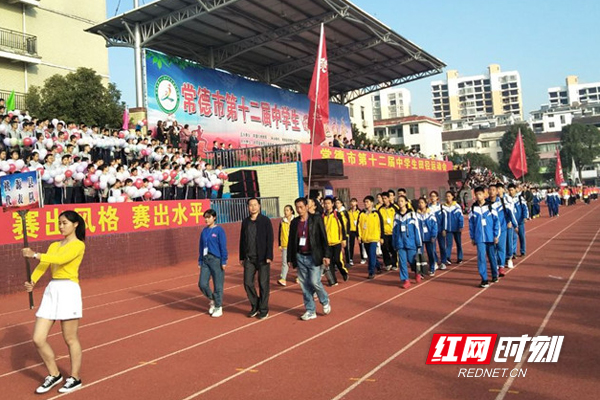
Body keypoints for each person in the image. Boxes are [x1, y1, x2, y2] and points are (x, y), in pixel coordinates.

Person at [22, 211, 86, 394]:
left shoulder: (78, 245)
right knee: (38, 338)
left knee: (70, 338)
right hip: (52, 290)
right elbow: (45, 265)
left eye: (64, 223)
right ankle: (54, 374)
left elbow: (60, 259)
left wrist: (34, 254)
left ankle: (75, 377)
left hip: (69, 290)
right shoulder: (54, 245)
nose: (61, 226)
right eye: (59, 223)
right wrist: (32, 281)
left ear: (75, 225)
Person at [286, 197, 331, 321]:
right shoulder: (295, 222)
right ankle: (310, 310)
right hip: (300, 256)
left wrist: (326, 255)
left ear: (306, 207)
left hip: (314, 256)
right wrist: (290, 257)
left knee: (315, 282)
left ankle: (325, 300)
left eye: (301, 207)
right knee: (304, 285)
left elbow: (323, 237)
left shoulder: (316, 219)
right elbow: (291, 241)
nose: (299, 210)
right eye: (297, 207)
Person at [239, 198, 273, 319]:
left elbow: (270, 239)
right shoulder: (245, 222)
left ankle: (263, 309)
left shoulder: (265, 221)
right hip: (249, 258)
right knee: (247, 282)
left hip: (263, 258)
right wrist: (242, 256)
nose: (252, 207)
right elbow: (242, 240)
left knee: (263, 284)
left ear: (259, 206)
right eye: (250, 205)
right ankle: (255, 305)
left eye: (255, 205)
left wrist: (269, 255)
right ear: (247, 207)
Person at [198, 209, 228, 318]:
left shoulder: (219, 230)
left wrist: (224, 260)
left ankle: (218, 307)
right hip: (206, 260)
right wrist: (200, 260)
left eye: (208, 217)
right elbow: (201, 246)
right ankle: (213, 299)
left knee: (218, 285)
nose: (206, 219)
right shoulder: (204, 231)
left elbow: (223, 246)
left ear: (214, 218)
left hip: (216, 260)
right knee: (202, 284)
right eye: (205, 217)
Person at [469, 187, 500, 288]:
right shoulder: (473, 208)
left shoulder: (490, 207)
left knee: (491, 257)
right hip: (479, 238)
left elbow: (496, 222)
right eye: (476, 194)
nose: (478, 196)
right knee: (481, 258)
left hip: (490, 237)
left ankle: (495, 274)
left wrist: (496, 235)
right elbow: (471, 224)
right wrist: (472, 237)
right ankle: (484, 279)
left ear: (484, 194)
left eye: (480, 194)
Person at [392, 195, 422, 289]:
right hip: (400, 243)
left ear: (406, 202)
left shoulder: (412, 214)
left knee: (412, 260)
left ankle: (417, 272)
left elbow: (417, 229)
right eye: (399, 201)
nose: (400, 203)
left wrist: (418, 243)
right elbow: (394, 231)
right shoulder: (396, 215)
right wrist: (394, 243)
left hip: (411, 242)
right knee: (402, 262)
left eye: (402, 201)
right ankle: (406, 280)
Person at [322, 197, 349, 285]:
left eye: (329, 203)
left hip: (337, 241)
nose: (327, 205)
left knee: (337, 260)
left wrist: (344, 239)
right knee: (329, 263)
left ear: (332, 204)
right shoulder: (323, 216)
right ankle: (333, 280)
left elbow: (343, 228)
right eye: (325, 203)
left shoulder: (337, 214)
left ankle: (344, 272)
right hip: (327, 243)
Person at [358, 195, 384, 279]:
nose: (365, 204)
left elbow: (381, 225)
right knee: (370, 255)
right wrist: (359, 236)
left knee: (372, 255)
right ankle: (378, 265)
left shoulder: (376, 213)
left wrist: (381, 237)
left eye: (367, 202)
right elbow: (358, 226)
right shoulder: (361, 213)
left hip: (374, 238)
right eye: (364, 202)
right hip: (365, 238)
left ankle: (371, 272)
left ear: (372, 203)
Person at [416, 197, 439, 276]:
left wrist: (433, 235)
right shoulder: (416, 214)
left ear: (426, 204)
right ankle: (422, 270)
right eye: (419, 203)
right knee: (420, 254)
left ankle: (432, 268)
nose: (420, 204)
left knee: (431, 253)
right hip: (420, 238)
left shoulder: (430, 213)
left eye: (422, 202)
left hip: (429, 237)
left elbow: (434, 225)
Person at [441, 191, 464, 265]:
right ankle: (448, 257)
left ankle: (460, 257)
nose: (447, 198)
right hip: (448, 229)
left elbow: (461, 217)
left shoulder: (457, 206)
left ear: (452, 197)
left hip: (456, 228)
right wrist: (443, 228)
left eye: (449, 196)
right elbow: (442, 218)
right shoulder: (443, 207)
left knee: (458, 243)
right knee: (449, 244)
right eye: (446, 196)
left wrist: (461, 226)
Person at [379, 192, 398, 271]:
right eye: (383, 199)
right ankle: (387, 263)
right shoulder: (380, 209)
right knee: (384, 248)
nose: (384, 200)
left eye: (385, 198)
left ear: (389, 198)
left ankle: (394, 263)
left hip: (392, 232)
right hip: (384, 233)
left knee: (393, 249)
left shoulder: (394, 208)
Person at [508, 183, 528, 257]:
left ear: (515, 190)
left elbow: (524, 208)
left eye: (512, 190)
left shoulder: (520, 198)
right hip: (512, 222)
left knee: (521, 236)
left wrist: (525, 217)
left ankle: (523, 251)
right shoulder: (507, 199)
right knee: (513, 237)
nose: (511, 192)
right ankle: (513, 252)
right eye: (509, 190)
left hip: (520, 221)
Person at [277, 205, 294, 286]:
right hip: (285, 244)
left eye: (287, 210)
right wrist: (280, 244)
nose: (285, 212)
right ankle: (283, 278)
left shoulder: (295, 220)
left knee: (296, 262)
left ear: (291, 211)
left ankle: (300, 277)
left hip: (294, 245)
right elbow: (280, 233)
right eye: (285, 210)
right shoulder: (282, 221)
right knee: (285, 262)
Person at [428, 191, 444, 271]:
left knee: (442, 246)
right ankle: (435, 261)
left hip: (440, 229)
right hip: (432, 230)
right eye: (431, 196)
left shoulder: (441, 207)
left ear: (437, 197)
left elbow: (444, 218)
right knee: (432, 247)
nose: (432, 198)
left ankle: (443, 262)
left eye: (434, 196)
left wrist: (444, 228)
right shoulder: (428, 208)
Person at [347, 198, 365, 265]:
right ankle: (351, 258)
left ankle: (363, 258)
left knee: (361, 244)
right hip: (351, 230)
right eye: (351, 202)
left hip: (358, 230)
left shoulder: (359, 211)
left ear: (356, 203)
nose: (352, 203)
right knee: (351, 245)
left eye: (354, 202)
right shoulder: (348, 211)